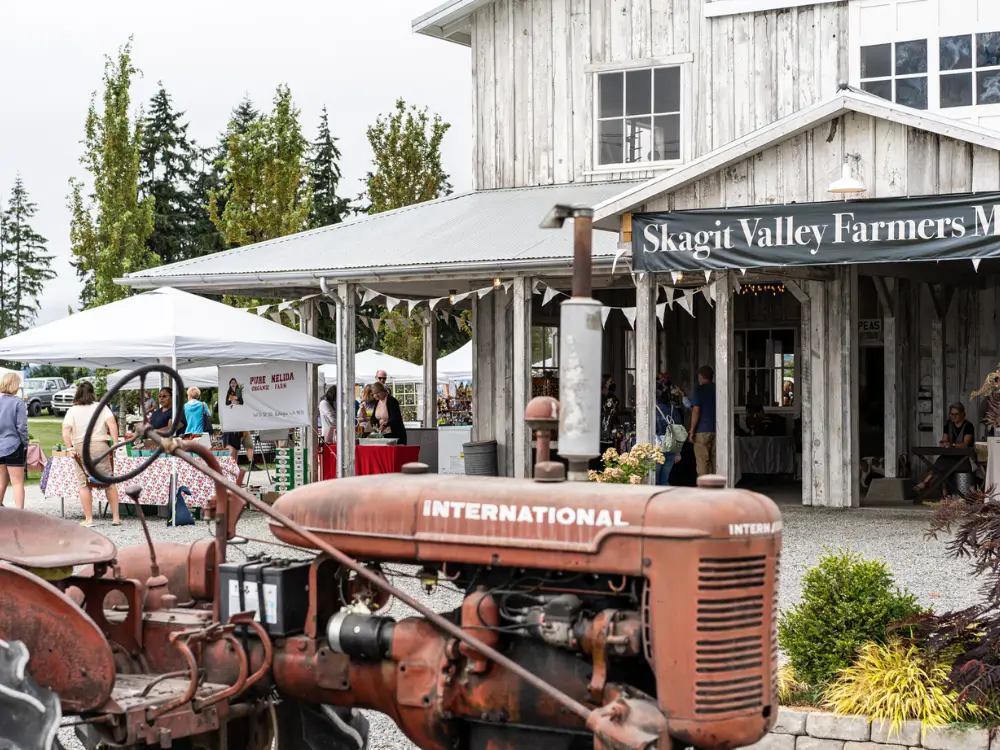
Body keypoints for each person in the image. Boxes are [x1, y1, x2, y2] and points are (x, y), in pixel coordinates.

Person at [61, 381, 121, 527]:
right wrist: (115, 442)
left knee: (84, 483)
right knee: (109, 482)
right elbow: (112, 423)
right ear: (92, 392)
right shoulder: (101, 407)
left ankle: (89, 519)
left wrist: (70, 447)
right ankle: (116, 518)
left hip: (81, 446)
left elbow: (66, 429)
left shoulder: (72, 410)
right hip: (100, 444)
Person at [914, 402, 976, 496]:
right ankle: (942, 492)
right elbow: (945, 439)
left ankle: (927, 483)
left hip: (961, 459)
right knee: (942, 463)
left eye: (955, 414)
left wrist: (952, 445)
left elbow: (965, 444)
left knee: (942, 465)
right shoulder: (948, 425)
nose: (953, 416)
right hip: (949, 456)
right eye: (951, 414)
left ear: (962, 414)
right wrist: (943, 443)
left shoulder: (968, 426)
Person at [0, 373, 28, 508]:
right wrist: (25, 442)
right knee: (17, 483)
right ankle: (20, 515)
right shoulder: (18, 403)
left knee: (1, 482)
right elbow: (22, 427)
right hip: (13, 445)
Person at [654, 374, 686, 486]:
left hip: (657, 447)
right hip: (671, 447)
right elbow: (678, 430)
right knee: (664, 480)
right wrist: (678, 453)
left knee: (654, 481)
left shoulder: (653, 408)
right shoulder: (673, 408)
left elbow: (653, 429)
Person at [689, 365, 717, 476]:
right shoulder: (718, 389)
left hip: (702, 429)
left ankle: (705, 487)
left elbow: (696, 410)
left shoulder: (699, 390)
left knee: (702, 460)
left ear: (701, 377)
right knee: (716, 460)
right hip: (718, 429)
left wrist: (691, 430)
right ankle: (717, 487)